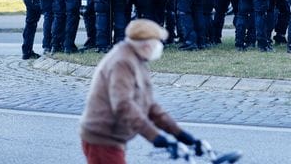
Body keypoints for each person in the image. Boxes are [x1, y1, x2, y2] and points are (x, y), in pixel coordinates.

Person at [80, 19, 202, 164]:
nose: (159, 46)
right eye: (157, 42)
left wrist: (179, 134)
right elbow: (123, 105)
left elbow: (149, 105)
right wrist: (155, 136)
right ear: (146, 44)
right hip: (102, 138)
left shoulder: (137, 60)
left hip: (113, 137)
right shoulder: (122, 62)